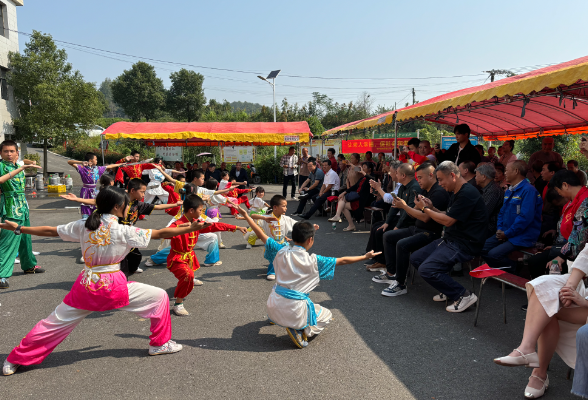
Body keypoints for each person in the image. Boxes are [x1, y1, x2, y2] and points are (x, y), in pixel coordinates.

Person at [0, 186, 212, 376]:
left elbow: (50, 231)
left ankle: (14, 359)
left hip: (85, 286)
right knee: (159, 298)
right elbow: (160, 233)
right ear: (119, 206)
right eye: (127, 205)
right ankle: (159, 344)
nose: (129, 208)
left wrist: (19, 229)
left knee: (52, 324)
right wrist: (191, 228)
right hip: (113, 287)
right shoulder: (123, 230)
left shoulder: (84, 224)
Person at [234, 205, 378, 348]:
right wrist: (365, 257)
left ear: (292, 237)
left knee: (286, 300)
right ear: (310, 240)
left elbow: (260, 234)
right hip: (294, 312)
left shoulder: (280, 250)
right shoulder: (314, 261)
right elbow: (343, 260)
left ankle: (278, 319)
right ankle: (302, 330)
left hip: (272, 305)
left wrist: (246, 215)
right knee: (326, 315)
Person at [493, 243, 588, 398]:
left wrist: (584, 302)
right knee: (544, 287)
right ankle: (526, 349)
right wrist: (568, 289)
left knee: (547, 305)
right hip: (583, 290)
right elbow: (586, 254)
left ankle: (539, 374)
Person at [61, 178, 184, 275]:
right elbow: (96, 202)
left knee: (135, 256)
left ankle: (129, 269)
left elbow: (156, 207)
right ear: (132, 191)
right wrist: (77, 199)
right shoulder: (117, 200)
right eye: (142, 191)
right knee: (112, 255)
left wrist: (175, 204)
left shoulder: (138, 205)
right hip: (112, 233)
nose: (143, 194)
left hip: (127, 233)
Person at [409, 161, 488, 312]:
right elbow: (449, 214)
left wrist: (425, 208)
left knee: (426, 269)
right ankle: (447, 289)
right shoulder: (456, 192)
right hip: (451, 239)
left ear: (452, 175)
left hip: (465, 243)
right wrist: (432, 208)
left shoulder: (468, 193)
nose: (439, 183)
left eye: (440, 179)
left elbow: (449, 221)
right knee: (416, 258)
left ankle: (464, 295)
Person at [370, 162, 450, 296]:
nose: (418, 181)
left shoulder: (438, 193)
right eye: (417, 178)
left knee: (402, 244)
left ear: (431, 176)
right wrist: (407, 208)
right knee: (388, 235)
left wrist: (405, 207)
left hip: (430, 233)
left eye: (420, 178)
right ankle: (391, 273)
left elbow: (425, 217)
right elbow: (415, 211)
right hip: (417, 228)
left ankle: (400, 284)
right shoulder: (425, 190)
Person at [168, 194, 246, 316]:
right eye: (200, 210)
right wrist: (178, 227)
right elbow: (164, 233)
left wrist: (236, 227)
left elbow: (215, 225)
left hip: (189, 256)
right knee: (188, 276)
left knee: (189, 276)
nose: (202, 212)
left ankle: (190, 281)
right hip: (177, 258)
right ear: (191, 210)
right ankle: (178, 304)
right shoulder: (178, 223)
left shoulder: (197, 222)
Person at [480, 161, 542, 272]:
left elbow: (525, 218)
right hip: (506, 233)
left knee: (493, 254)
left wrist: (507, 233)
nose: (504, 173)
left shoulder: (528, 191)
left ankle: (513, 269)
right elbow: (502, 212)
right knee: (481, 248)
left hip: (522, 236)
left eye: (506, 170)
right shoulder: (509, 190)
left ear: (516, 171)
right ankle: (509, 268)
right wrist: (500, 229)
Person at [526, 170, 588, 280]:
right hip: (569, 248)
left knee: (546, 265)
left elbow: (580, 235)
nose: (558, 193)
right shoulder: (573, 200)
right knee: (538, 262)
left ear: (565, 185)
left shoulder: (584, 200)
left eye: (557, 190)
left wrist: (562, 255)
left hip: (579, 253)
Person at [0, 141, 44, 289]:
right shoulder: (1, 166)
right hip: (10, 207)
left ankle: (29, 265)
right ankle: (2, 274)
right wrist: (21, 169)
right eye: (5, 151)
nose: (9, 154)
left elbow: (23, 161)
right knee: (8, 242)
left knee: (26, 238)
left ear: (17, 152)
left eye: (12, 151)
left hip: (23, 206)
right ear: (1, 153)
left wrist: (28, 163)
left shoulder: (17, 164)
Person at [361, 163, 421, 267]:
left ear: (403, 176)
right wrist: (387, 222)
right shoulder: (403, 186)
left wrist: (397, 226)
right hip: (401, 219)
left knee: (383, 233)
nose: (395, 175)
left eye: (397, 173)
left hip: (410, 223)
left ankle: (384, 263)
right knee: (380, 226)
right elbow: (394, 205)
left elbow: (408, 212)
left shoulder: (414, 188)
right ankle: (376, 257)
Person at [250, 195, 297, 280]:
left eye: (286, 206)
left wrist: (311, 226)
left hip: (283, 242)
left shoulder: (286, 218)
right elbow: (252, 216)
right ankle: (271, 272)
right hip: (272, 242)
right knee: (275, 256)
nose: (286, 208)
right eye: (283, 206)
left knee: (289, 256)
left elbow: (297, 224)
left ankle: (284, 270)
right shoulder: (267, 217)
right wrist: (264, 218)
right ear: (275, 207)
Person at [67, 152, 120, 219]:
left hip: (94, 192)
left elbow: (110, 166)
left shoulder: (98, 169)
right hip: (85, 192)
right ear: (90, 160)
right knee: (85, 208)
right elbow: (69, 162)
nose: (97, 161)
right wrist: (81, 162)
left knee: (96, 209)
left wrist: (121, 164)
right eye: (96, 159)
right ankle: (85, 222)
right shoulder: (83, 168)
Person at [328, 162, 376, 232]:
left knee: (342, 201)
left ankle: (339, 217)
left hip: (365, 200)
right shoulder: (363, 177)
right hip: (359, 198)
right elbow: (355, 186)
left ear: (370, 169)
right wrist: (344, 192)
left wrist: (362, 171)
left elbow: (371, 179)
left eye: (365, 167)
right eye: (363, 167)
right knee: (342, 203)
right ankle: (348, 223)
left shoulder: (371, 177)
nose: (363, 168)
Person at [474, 163, 503, 239]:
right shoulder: (488, 189)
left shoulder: (493, 190)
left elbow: (483, 213)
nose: (475, 178)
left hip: (490, 228)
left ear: (484, 177)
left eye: (477, 175)